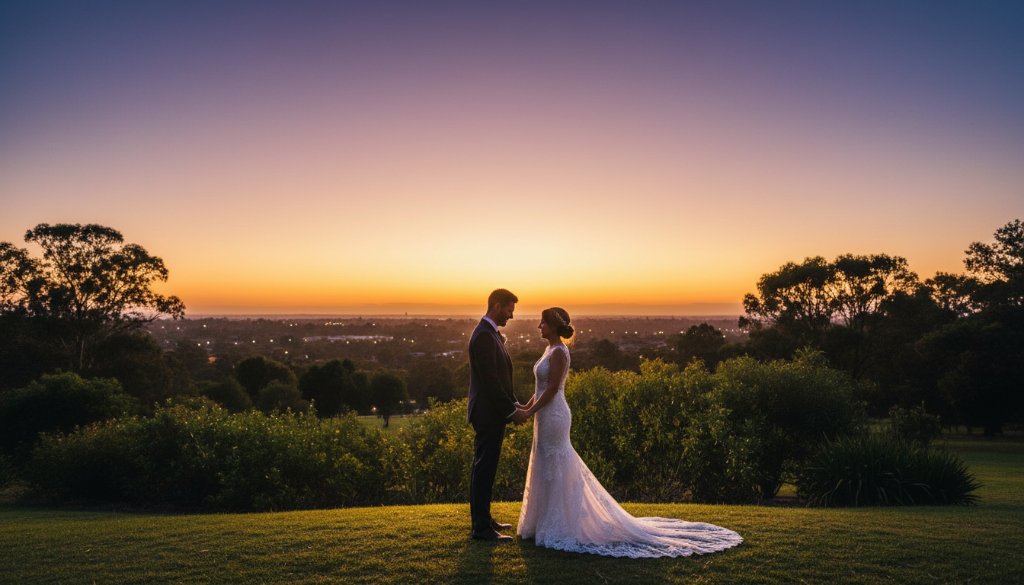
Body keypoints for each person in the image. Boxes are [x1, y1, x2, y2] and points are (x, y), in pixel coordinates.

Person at [516, 307, 743, 557]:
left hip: (555, 415)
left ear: (554, 325)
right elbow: (540, 388)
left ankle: (561, 525)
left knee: (557, 463)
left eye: (543, 323)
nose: (539, 327)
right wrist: (525, 407)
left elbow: (552, 390)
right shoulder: (548, 350)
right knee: (544, 462)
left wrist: (530, 411)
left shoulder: (559, 352)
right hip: (544, 415)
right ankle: (542, 523)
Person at [468, 288, 529, 541]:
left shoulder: (490, 334)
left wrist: (516, 404)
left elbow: (502, 379)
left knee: (486, 469)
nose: (511, 316)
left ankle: (485, 519)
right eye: (508, 310)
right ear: (496, 305)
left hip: (492, 413)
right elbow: (491, 381)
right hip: (487, 414)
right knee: (484, 469)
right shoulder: (483, 336)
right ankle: (481, 528)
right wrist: (511, 412)